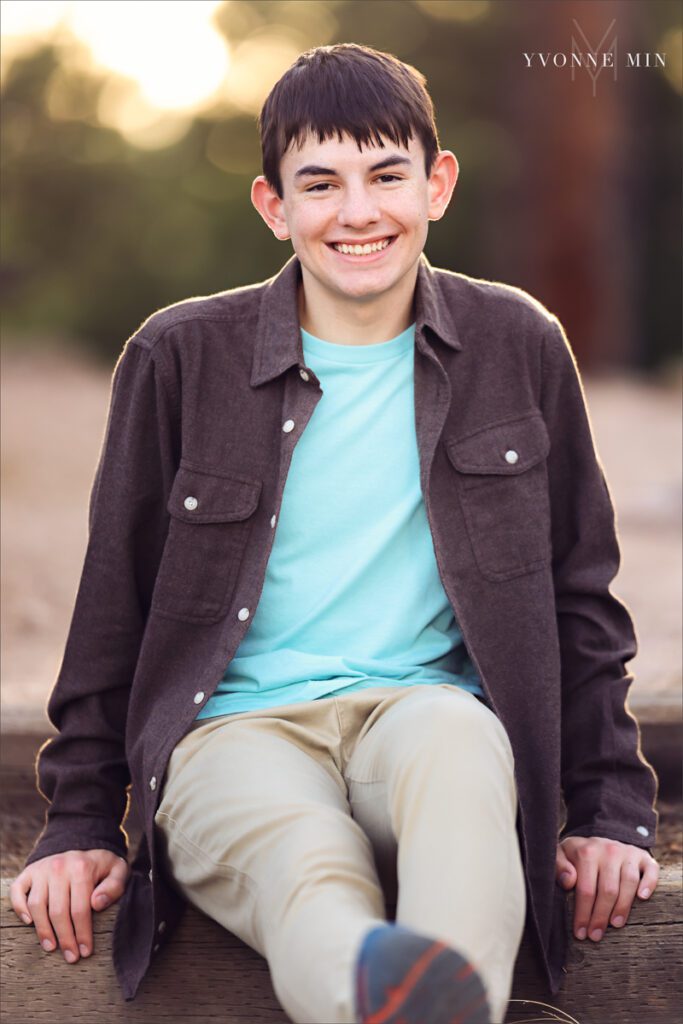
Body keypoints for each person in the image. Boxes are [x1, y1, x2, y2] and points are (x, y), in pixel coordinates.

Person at [10, 43, 659, 1024]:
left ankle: (417, 1000)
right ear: (274, 206)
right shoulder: (181, 357)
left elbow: (580, 597)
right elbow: (115, 601)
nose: (358, 213)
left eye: (385, 175)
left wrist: (613, 810)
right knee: (301, 855)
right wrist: (79, 823)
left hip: (425, 714)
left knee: (461, 749)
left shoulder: (514, 344)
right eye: (320, 183)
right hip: (235, 730)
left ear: (435, 185)